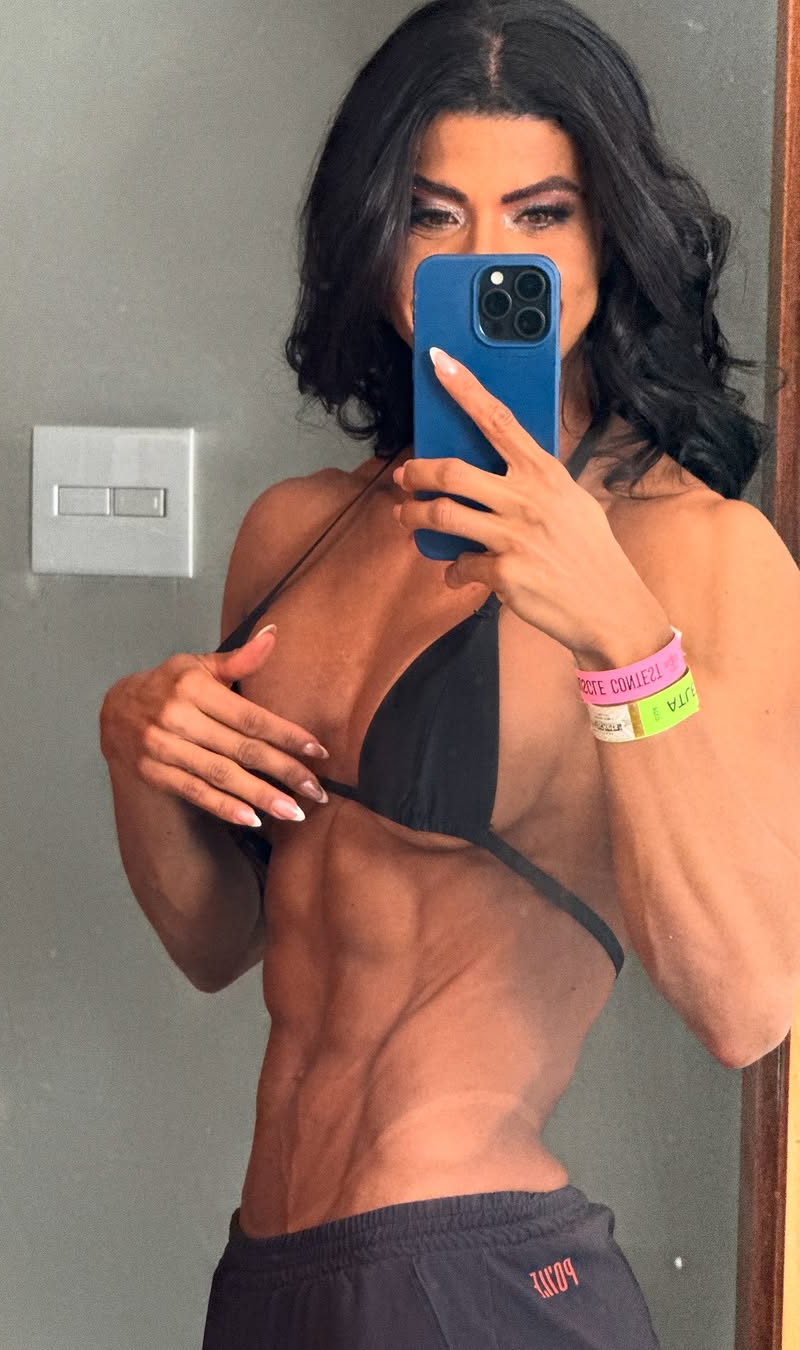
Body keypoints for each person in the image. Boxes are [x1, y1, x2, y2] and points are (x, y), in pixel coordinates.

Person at [99, 1, 800, 1344]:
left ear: (606, 241)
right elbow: (221, 944)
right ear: (375, 241)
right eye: (435, 215)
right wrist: (136, 746)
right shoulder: (296, 534)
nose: (488, 259)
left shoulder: (697, 552)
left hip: (472, 1277)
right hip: (269, 1277)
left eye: (541, 214)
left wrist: (621, 634)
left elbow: (746, 1004)